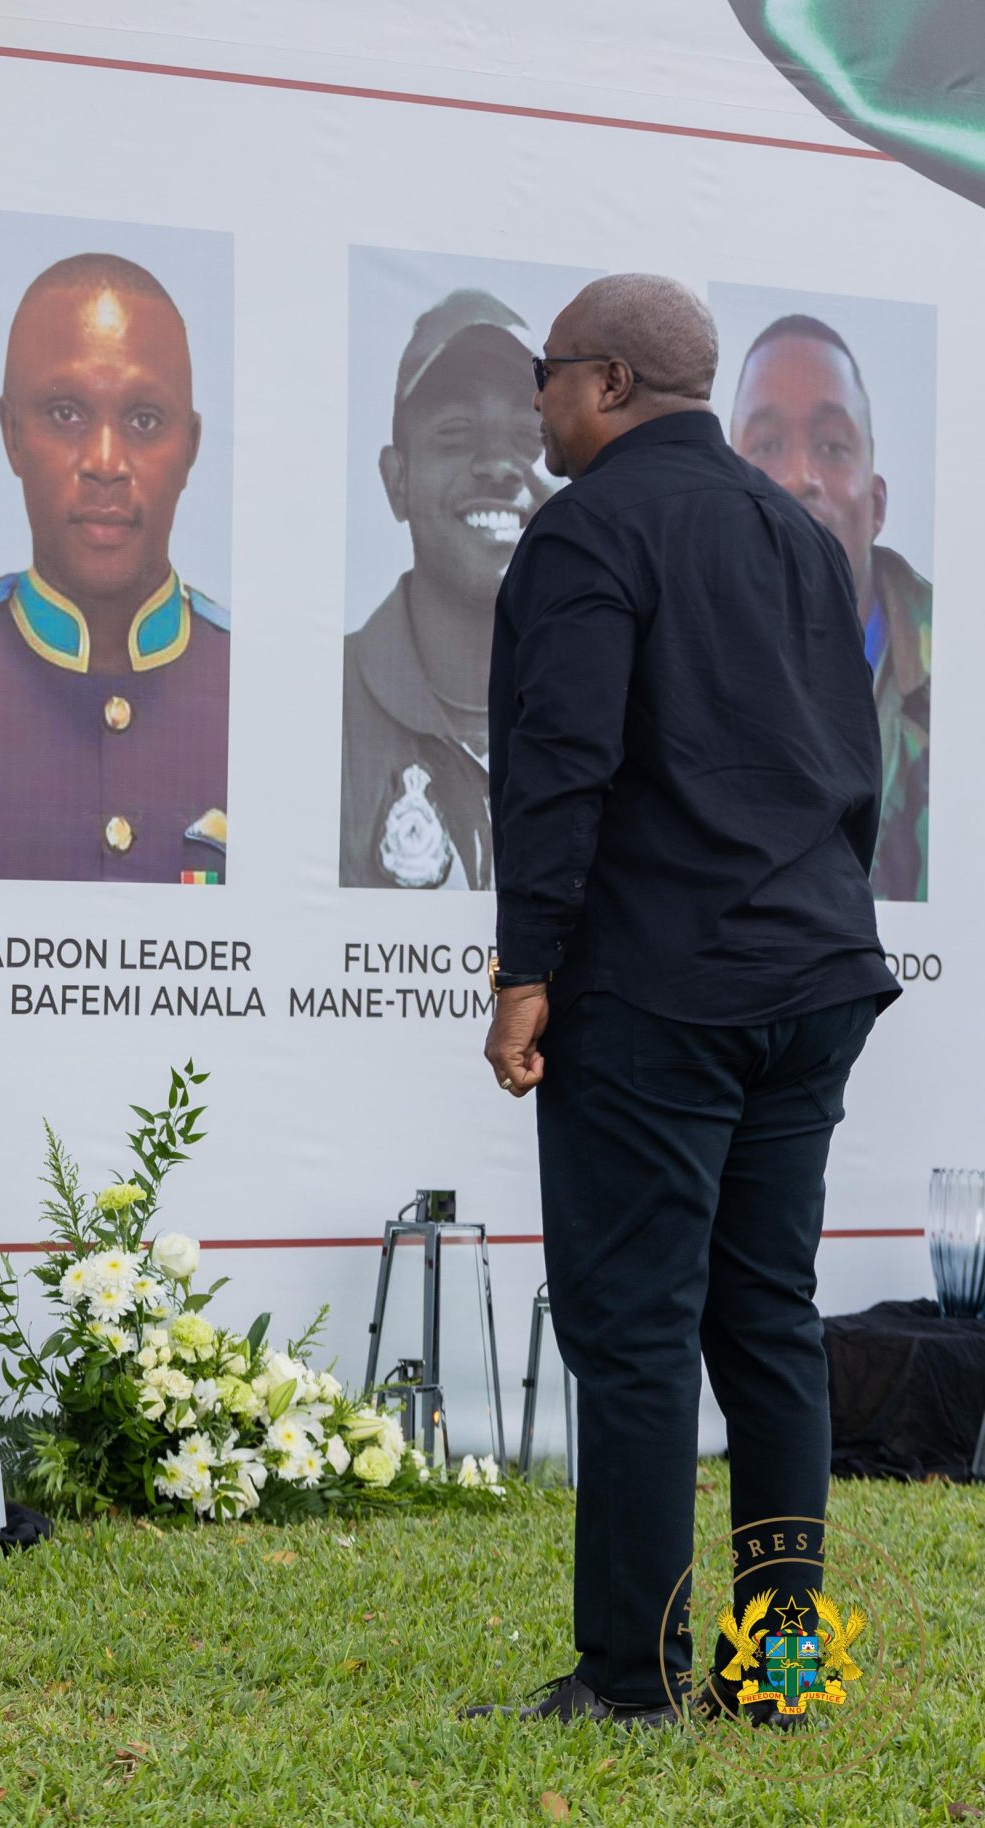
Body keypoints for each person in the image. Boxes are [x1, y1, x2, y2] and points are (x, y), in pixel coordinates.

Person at [474, 274, 894, 1726]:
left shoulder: (588, 529)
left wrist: (524, 973)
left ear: (604, 381)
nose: (536, 402)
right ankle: (780, 1673)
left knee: (637, 1329)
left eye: (544, 372)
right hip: (812, 974)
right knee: (769, 1322)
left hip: (661, 989)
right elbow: (856, 770)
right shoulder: (798, 534)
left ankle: (632, 1678)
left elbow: (560, 768)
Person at [0, 254, 229, 884]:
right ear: (12, 434)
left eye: (144, 421)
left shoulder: (258, 687)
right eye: (66, 413)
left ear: (190, 447)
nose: (105, 462)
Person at [340, 289, 551, 890]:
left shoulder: (622, 712)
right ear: (397, 481)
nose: (499, 465)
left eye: (530, 438)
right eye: (456, 434)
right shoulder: (319, 708)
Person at [730, 314, 930, 901]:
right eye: (768, 446)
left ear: (877, 504)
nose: (799, 478)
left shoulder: (960, 676)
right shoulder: (662, 659)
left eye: (832, 446)